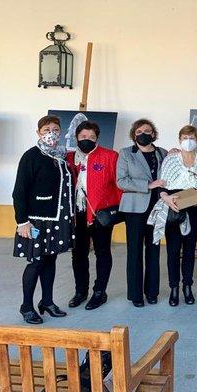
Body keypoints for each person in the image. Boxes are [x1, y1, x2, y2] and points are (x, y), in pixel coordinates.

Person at [13, 115, 74, 324]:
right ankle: (26, 306)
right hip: (36, 220)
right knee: (35, 262)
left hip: (55, 218)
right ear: (38, 132)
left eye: (56, 129)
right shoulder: (31, 156)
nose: (52, 133)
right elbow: (19, 192)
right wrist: (22, 222)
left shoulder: (61, 156)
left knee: (50, 259)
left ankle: (47, 301)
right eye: (47, 129)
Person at [149, 125, 197, 306]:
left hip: (194, 207)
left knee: (189, 250)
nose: (188, 140)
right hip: (174, 205)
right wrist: (166, 198)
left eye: (191, 137)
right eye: (184, 137)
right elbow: (162, 186)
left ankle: (187, 287)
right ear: (179, 139)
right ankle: (174, 288)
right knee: (173, 250)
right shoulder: (170, 160)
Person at [66, 121, 122, 311]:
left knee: (102, 252)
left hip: (100, 214)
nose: (87, 140)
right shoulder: (69, 158)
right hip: (76, 214)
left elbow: (119, 185)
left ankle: (100, 292)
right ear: (77, 138)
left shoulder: (110, 156)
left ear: (97, 138)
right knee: (78, 254)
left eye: (91, 137)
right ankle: (80, 291)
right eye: (83, 137)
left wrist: (115, 210)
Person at [117, 119, 167, 307]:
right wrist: (148, 185)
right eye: (139, 131)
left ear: (153, 134)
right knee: (135, 251)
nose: (143, 134)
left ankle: (152, 292)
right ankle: (136, 295)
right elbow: (121, 181)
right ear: (134, 134)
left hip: (158, 208)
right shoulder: (126, 154)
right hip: (135, 209)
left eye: (148, 131)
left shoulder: (162, 153)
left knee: (154, 251)